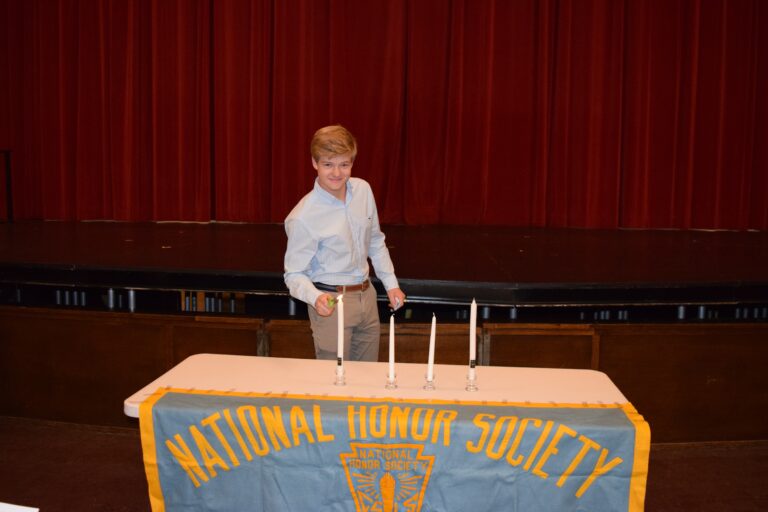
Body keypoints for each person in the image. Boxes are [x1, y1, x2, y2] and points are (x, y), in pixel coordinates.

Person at [284, 125, 406, 361]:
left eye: (344, 164)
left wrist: (391, 284)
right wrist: (314, 297)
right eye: (328, 164)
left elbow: (376, 241)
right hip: (331, 301)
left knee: (368, 377)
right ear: (314, 163)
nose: (337, 173)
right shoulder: (302, 216)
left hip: (367, 295)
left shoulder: (363, 190)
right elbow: (294, 274)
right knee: (335, 384)